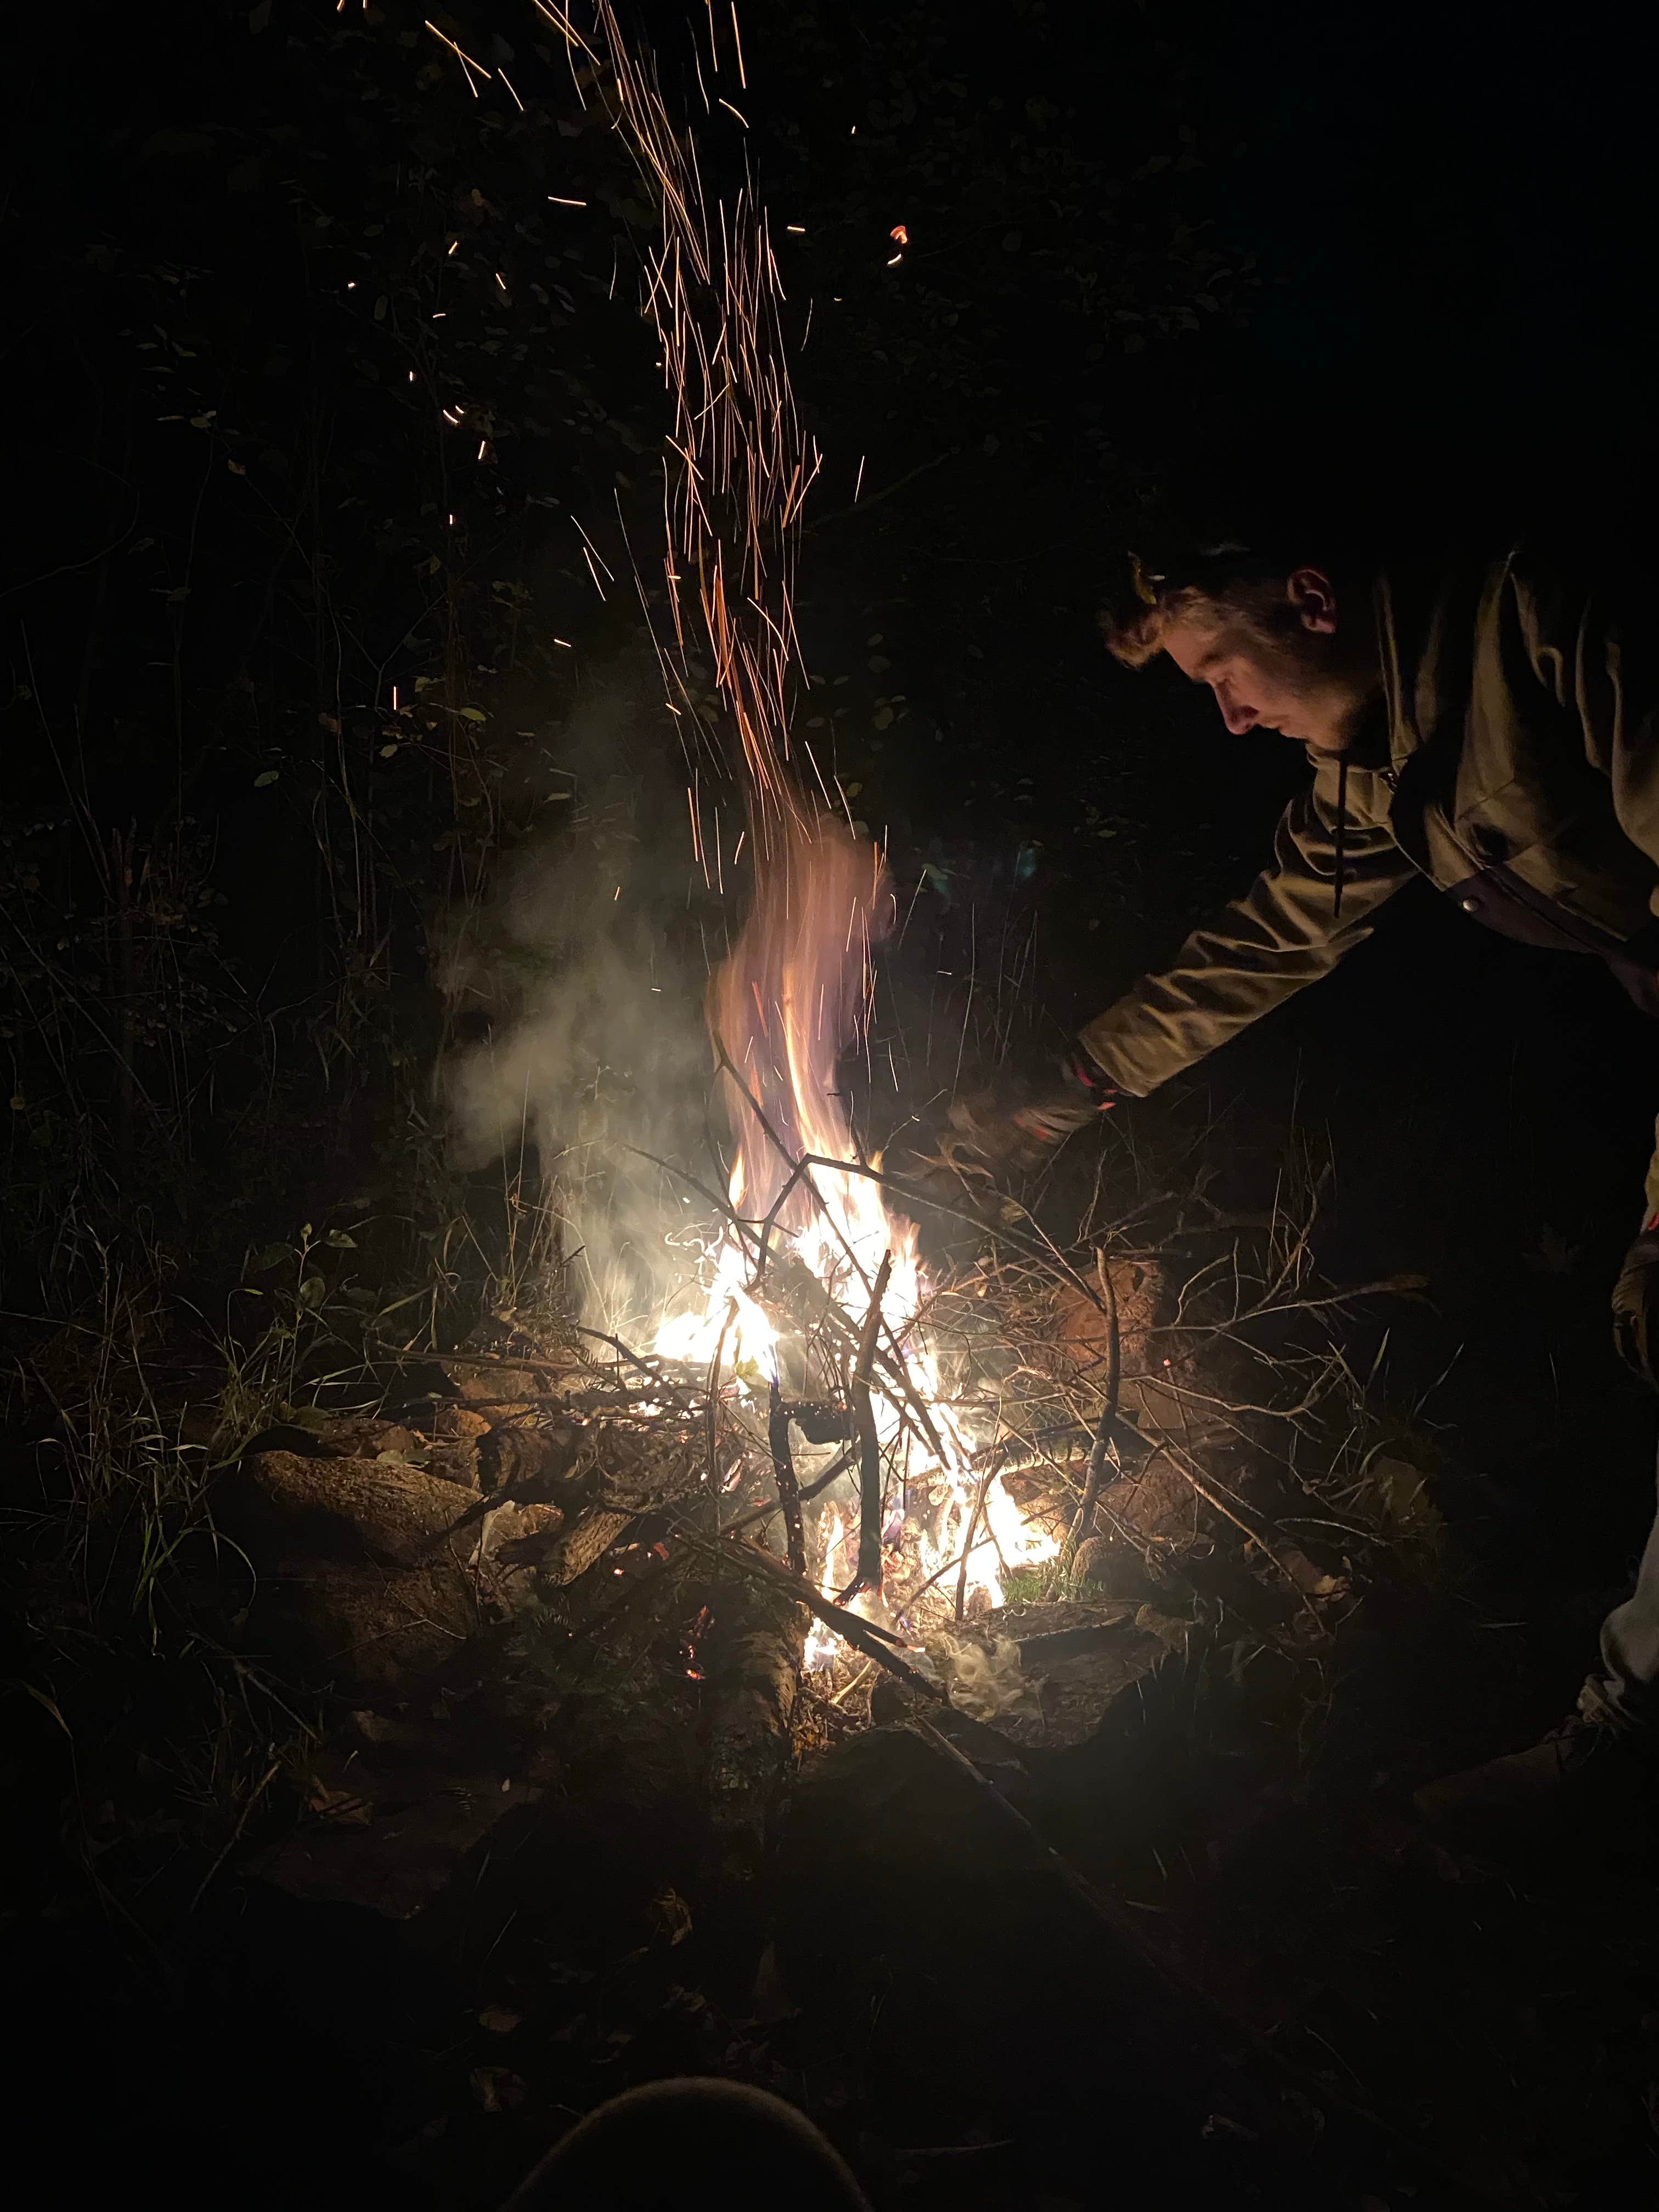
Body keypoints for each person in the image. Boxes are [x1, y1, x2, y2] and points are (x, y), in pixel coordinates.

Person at [970, 534, 1659, 1828]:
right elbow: (1276, 932)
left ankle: (1619, 1767)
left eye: (1226, 671)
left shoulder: (1557, 628)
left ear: (1315, 600)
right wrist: (1065, 1092)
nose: (1232, 720)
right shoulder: (1381, 768)